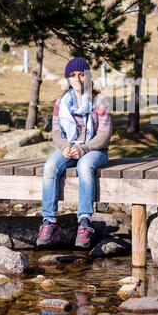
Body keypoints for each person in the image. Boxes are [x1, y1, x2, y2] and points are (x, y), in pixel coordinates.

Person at [36, 57, 112, 249]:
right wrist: (65, 147)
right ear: (68, 79)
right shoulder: (61, 102)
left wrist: (83, 148)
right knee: (50, 166)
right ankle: (49, 222)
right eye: (72, 75)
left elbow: (104, 135)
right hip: (69, 148)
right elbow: (56, 133)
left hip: (95, 150)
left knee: (84, 165)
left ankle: (85, 223)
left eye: (81, 74)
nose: (77, 79)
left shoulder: (99, 100)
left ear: (88, 77)